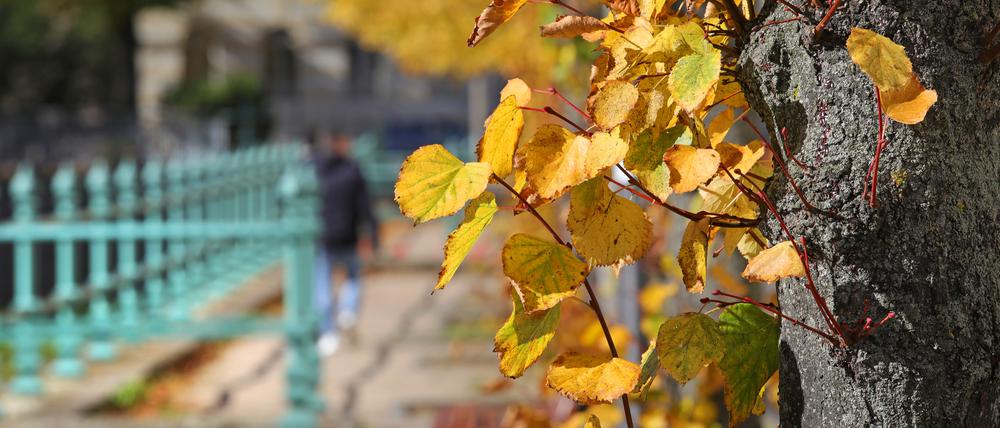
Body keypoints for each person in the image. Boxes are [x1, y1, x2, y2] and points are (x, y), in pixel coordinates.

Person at [310, 128, 379, 356]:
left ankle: (328, 332)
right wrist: (372, 235)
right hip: (348, 235)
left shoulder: (315, 170)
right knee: (352, 277)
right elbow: (364, 206)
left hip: (323, 236)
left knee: (322, 286)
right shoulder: (352, 170)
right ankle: (347, 312)